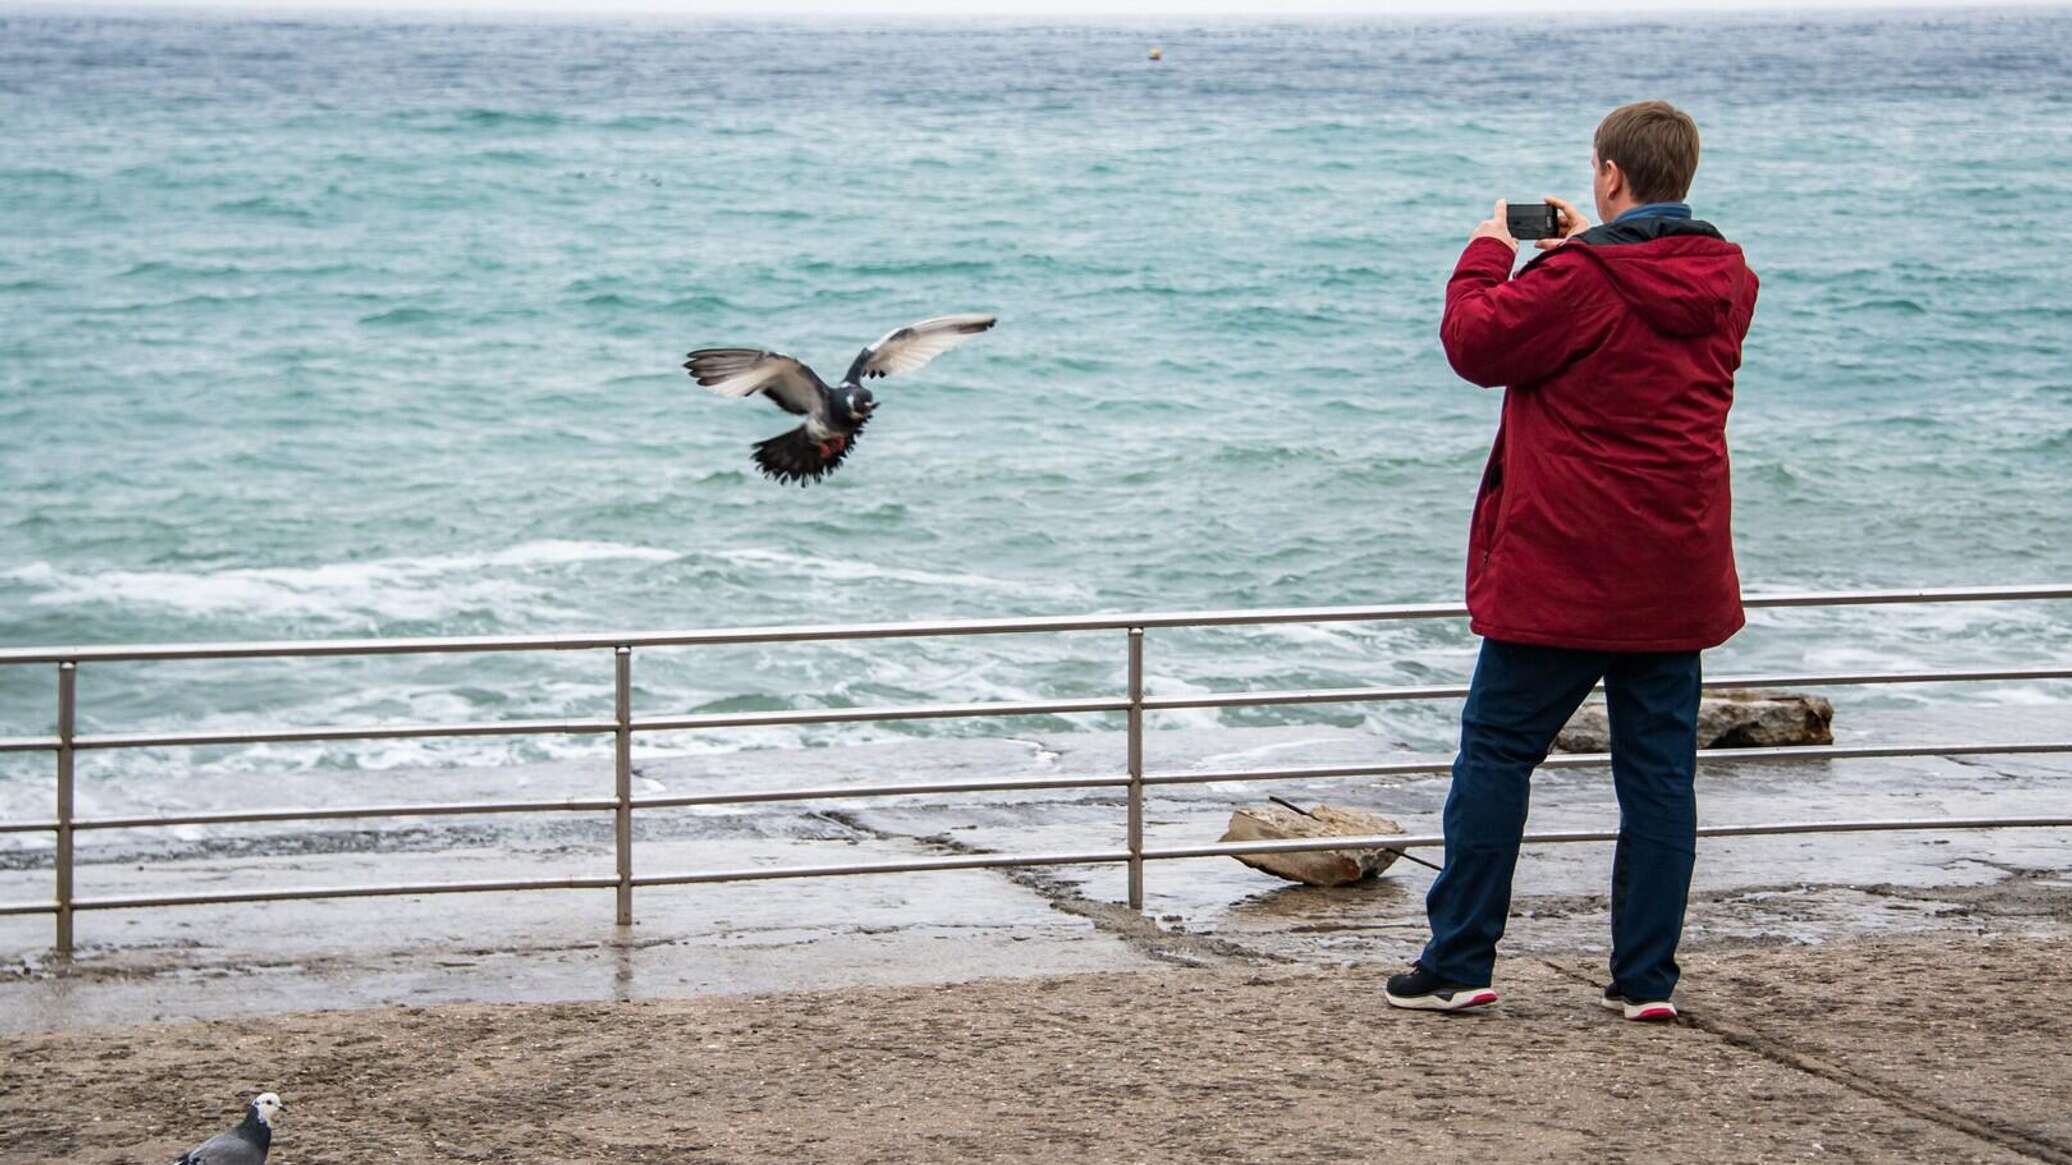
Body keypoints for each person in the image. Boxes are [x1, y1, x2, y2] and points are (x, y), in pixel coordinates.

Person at [1384, 100, 1759, 1022]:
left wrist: (1487, 249)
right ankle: (1646, 982)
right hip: (1675, 572)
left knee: (1496, 756)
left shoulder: (1585, 279)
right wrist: (1592, 247)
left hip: (1564, 572)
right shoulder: (1726, 277)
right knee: (1661, 776)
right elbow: (1628, 315)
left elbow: (1477, 342)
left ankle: (1460, 960)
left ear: (1609, 175)